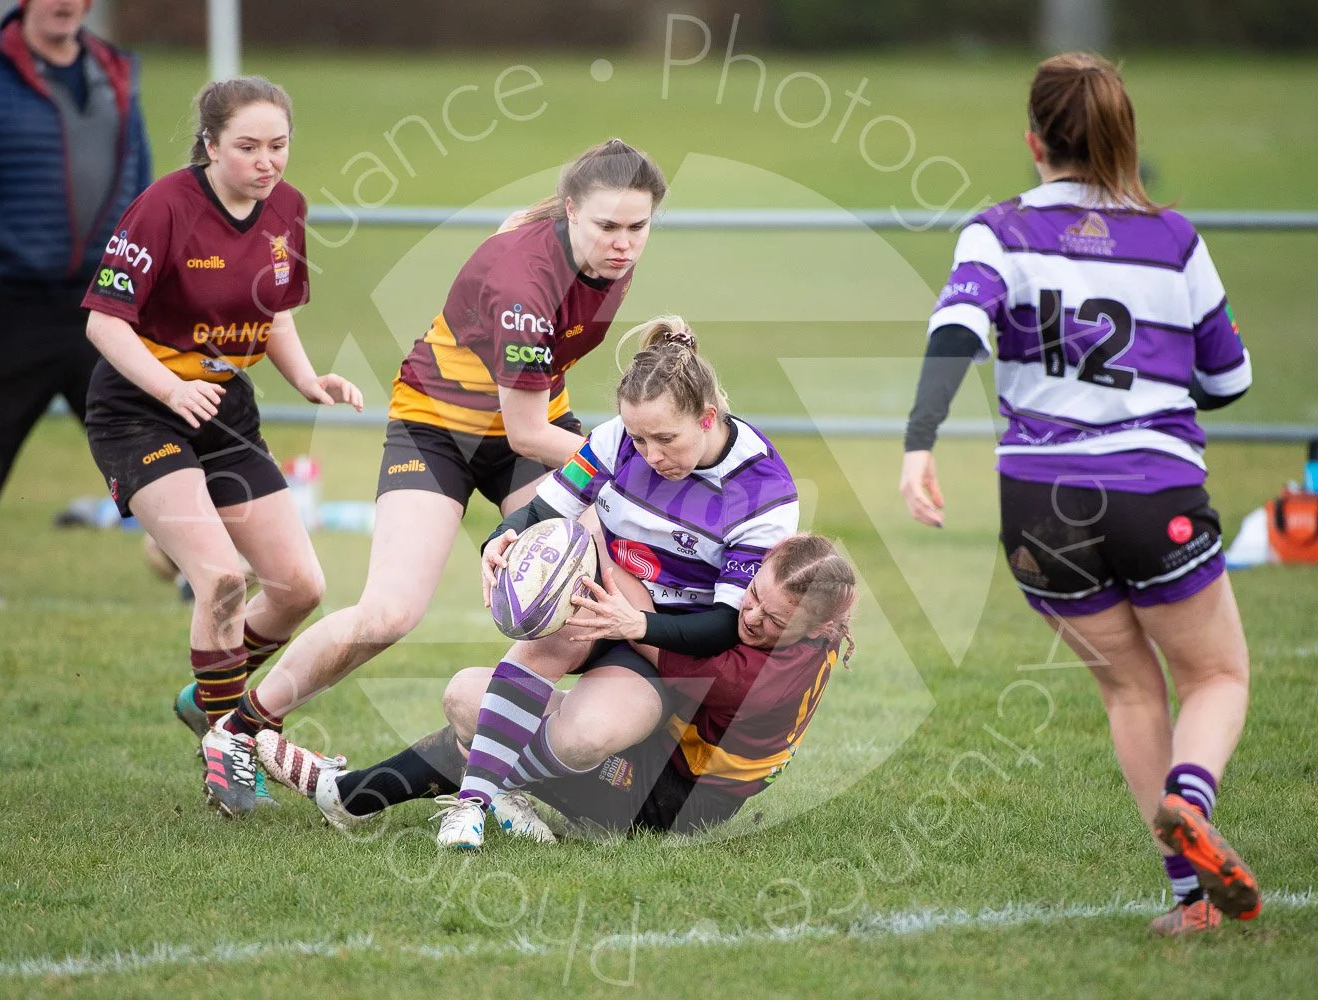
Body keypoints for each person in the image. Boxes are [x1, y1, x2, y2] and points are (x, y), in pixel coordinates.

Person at [897, 52, 1259, 936]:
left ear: (1033, 144)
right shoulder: (1172, 237)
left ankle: (1188, 899)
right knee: (1215, 673)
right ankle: (1193, 798)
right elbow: (1230, 377)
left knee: (1131, 692)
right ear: (1124, 136)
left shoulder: (996, 229)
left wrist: (919, 442)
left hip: (1039, 504)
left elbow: (957, 328)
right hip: (1151, 489)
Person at [191, 140, 668, 811]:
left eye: (637, 227)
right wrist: (633, 455)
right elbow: (530, 433)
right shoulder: (526, 289)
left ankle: (529, 769)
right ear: (568, 213)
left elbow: (528, 421)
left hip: (525, 424)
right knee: (390, 613)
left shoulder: (596, 254)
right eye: (607, 227)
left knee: (586, 591)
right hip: (439, 429)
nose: (623, 243)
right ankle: (239, 731)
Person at [81, 76, 363, 817]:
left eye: (278, 146)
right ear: (209, 144)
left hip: (224, 411)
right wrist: (171, 390)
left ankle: (208, 697)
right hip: (140, 411)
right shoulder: (163, 208)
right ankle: (228, 750)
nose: (266, 162)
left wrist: (307, 379)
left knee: (300, 586)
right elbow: (104, 325)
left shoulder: (287, 210)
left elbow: (272, 312)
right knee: (223, 581)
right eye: (247, 147)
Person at [433, 316, 800, 847]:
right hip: (604, 601)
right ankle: (472, 805)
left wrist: (637, 624)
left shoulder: (764, 493)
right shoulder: (612, 441)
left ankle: (481, 780)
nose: (650, 455)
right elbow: (542, 507)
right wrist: (500, 539)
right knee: (463, 697)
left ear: (707, 418)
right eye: (638, 437)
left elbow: (724, 625)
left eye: (665, 440)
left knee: (583, 737)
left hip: (665, 643)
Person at [256, 534, 856, 839]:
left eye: (774, 622)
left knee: (480, 713)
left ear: (821, 628)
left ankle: (349, 795)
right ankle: (479, 793)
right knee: (475, 697)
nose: (749, 619)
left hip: (670, 799)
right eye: (753, 597)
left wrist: (627, 613)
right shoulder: (778, 611)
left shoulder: (773, 679)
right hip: (656, 748)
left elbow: (680, 650)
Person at [0, 0, 152, 607]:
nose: (65, 3)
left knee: (142, 433)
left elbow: (146, 183)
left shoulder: (114, 72)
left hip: (102, 303)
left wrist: (154, 272)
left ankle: (192, 567)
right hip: (14, 298)